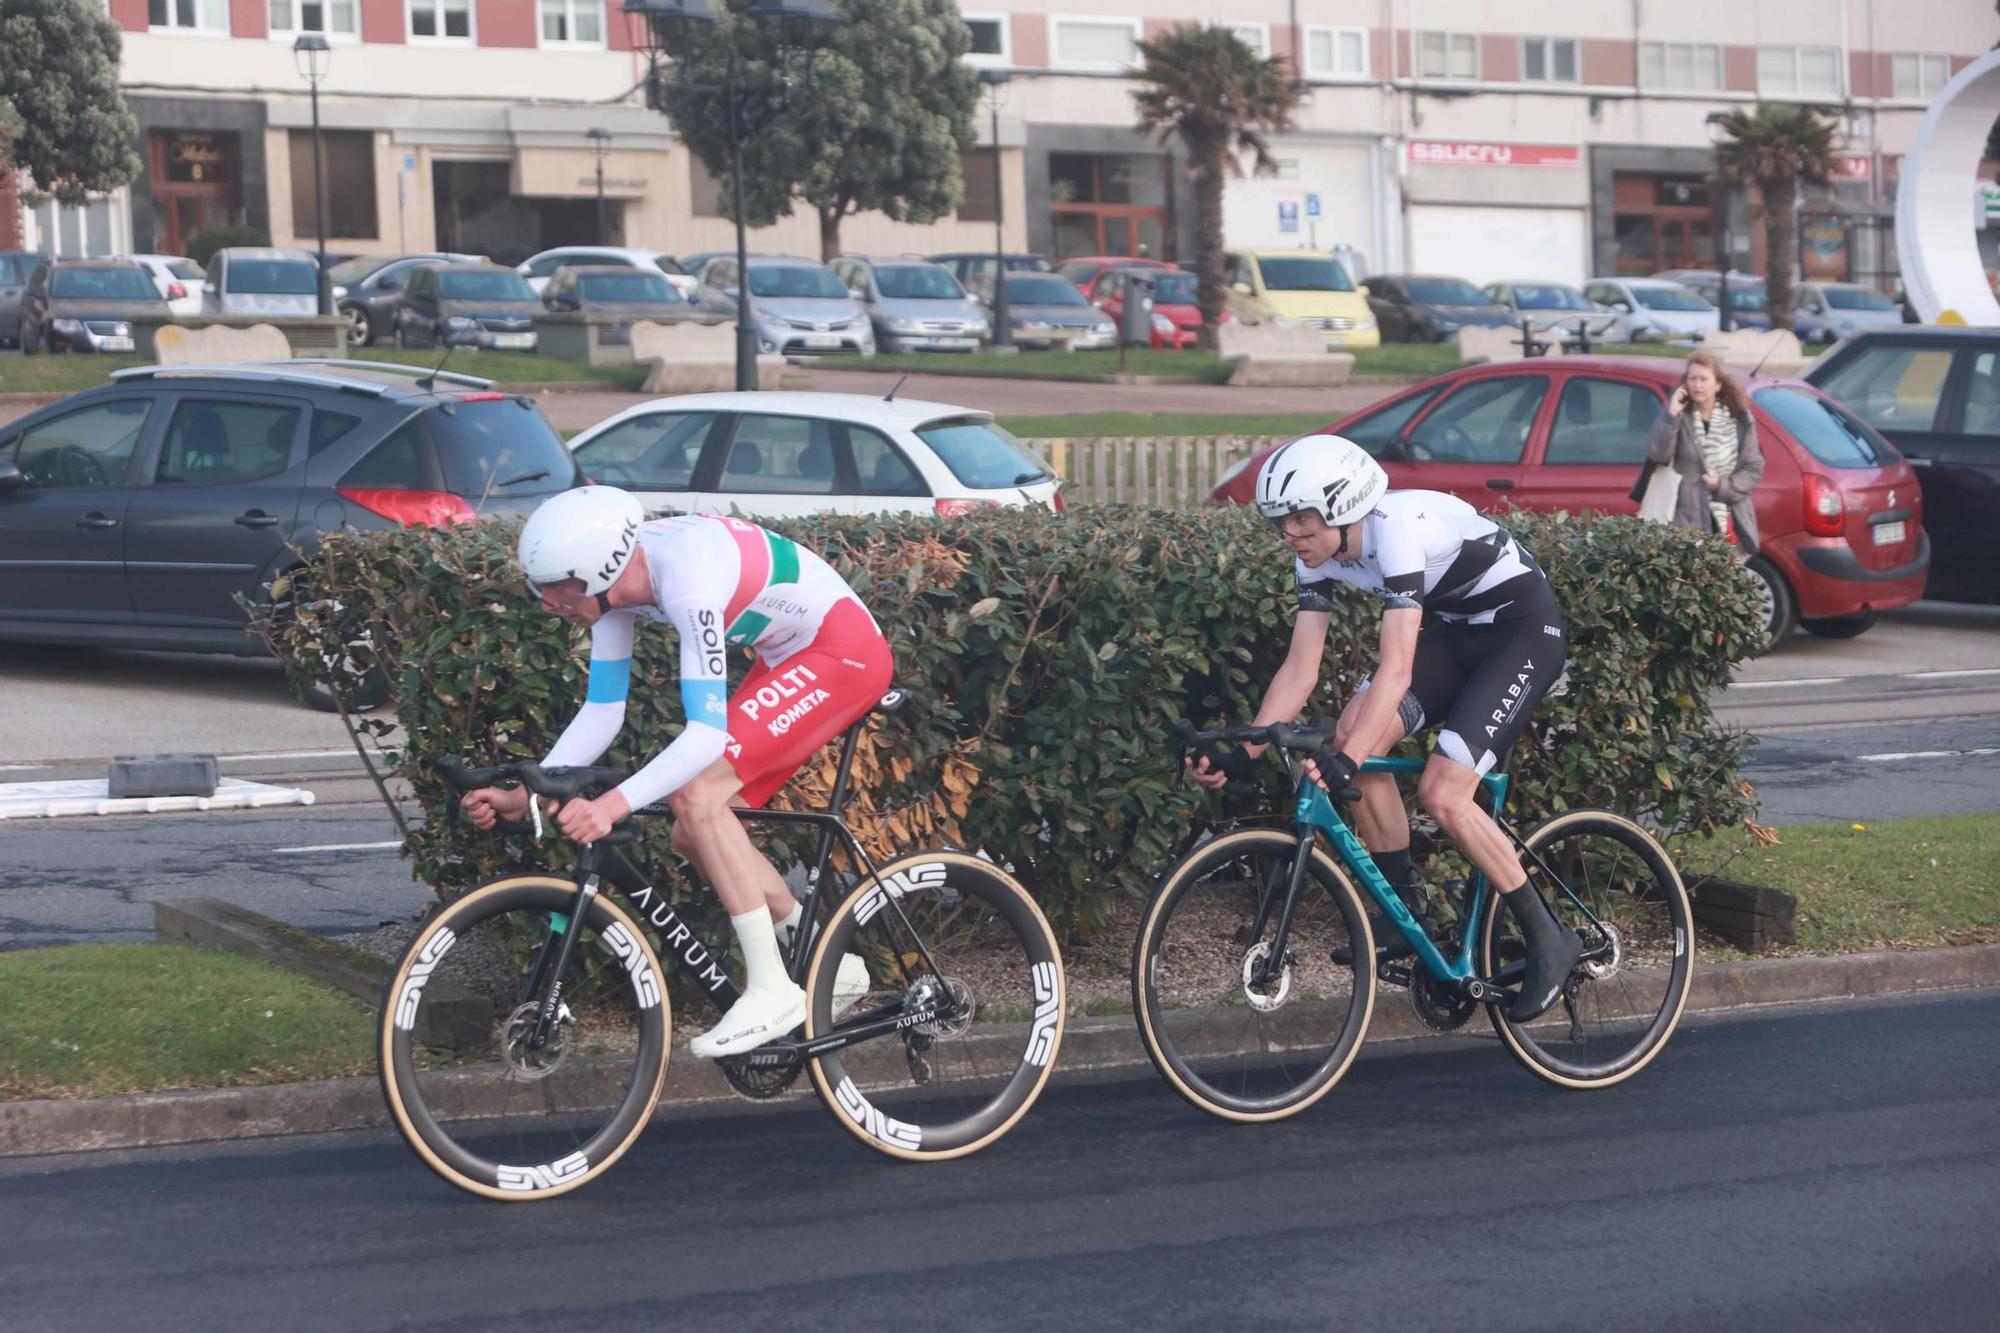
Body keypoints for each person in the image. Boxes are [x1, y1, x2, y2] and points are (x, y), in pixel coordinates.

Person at [460, 487, 893, 1057]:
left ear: (599, 571)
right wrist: (534, 793)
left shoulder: (688, 579)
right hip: (788, 655)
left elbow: (704, 736)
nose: (546, 603)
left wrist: (612, 805)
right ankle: (827, 960)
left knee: (696, 794)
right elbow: (603, 711)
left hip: (842, 652)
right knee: (695, 830)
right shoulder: (616, 593)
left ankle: (771, 988)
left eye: (556, 588)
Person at [1187, 436, 1582, 1022]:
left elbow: (1396, 668)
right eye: (1282, 521)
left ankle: (1550, 936)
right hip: (1453, 633)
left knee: (1442, 791)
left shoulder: (1397, 531)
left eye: (1301, 518)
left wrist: (1348, 756)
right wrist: (1246, 751)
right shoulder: (1314, 554)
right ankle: (1407, 919)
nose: (1290, 533)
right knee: (1357, 749)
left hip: (1519, 634)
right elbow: (1302, 666)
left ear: (1344, 508)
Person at [1645, 350, 1763, 551]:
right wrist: (1671, 415)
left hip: (1729, 520)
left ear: (1717, 384)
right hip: (1684, 522)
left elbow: (1753, 468)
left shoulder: (1740, 420)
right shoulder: (1679, 417)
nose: (1697, 385)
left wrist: (1722, 486)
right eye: (1692, 379)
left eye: (1704, 379)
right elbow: (1658, 454)